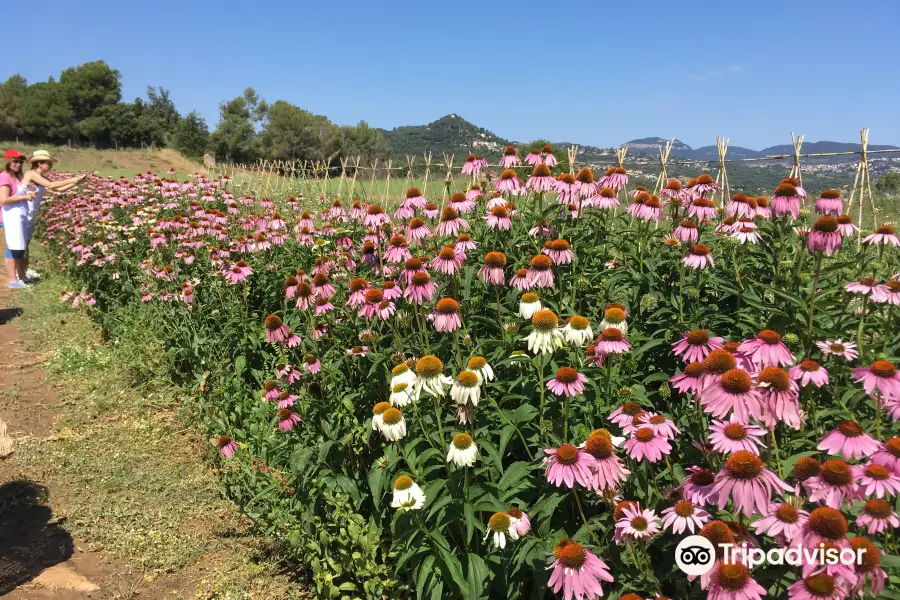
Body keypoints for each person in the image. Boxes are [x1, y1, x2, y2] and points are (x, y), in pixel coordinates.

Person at [20, 150, 86, 280]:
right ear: (39, 163)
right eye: (48, 163)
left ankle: (24, 271)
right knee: (21, 245)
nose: (50, 166)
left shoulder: (42, 177)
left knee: (26, 244)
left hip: (31, 213)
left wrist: (76, 183)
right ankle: (19, 274)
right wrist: (74, 178)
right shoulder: (31, 174)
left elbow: (57, 189)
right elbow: (51, 185)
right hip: (23, 212)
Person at [0, 149, 36, 289]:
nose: (18, 164)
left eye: (20, 162)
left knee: (20, 247)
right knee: (13, 247)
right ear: (7, 161)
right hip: (8, 217)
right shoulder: (5, 176)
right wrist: (25, 197)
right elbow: (3, 199)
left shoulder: (15, 177)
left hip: (18, 215)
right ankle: (12, 280)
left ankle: (22, 278)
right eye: (15, 161)